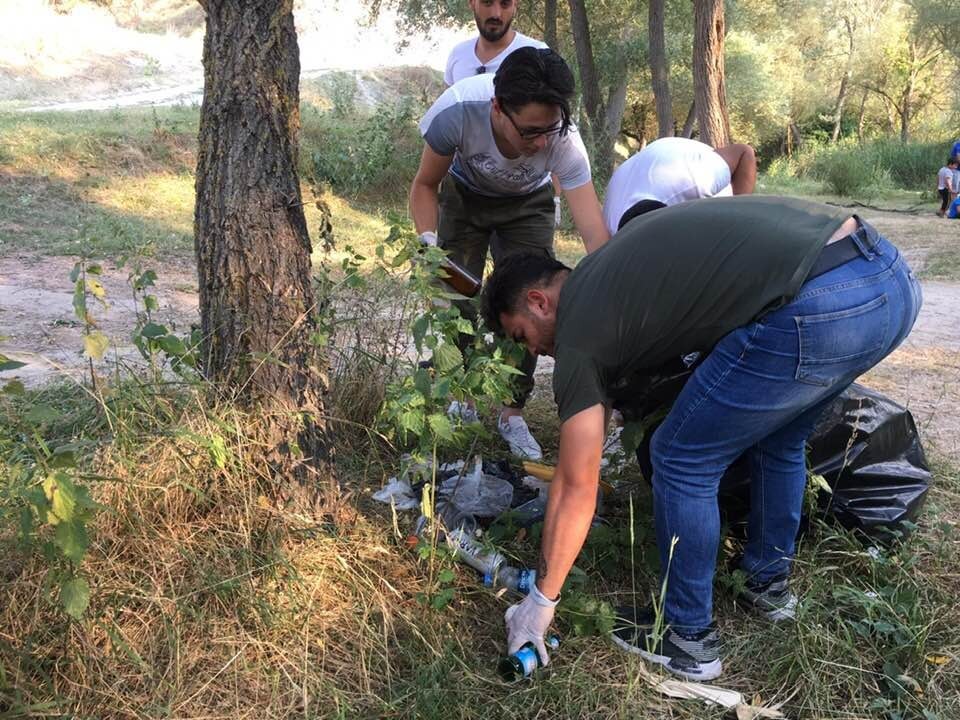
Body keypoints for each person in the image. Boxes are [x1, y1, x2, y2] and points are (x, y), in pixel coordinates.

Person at [483, 195, 921, 680]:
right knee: (779, 441)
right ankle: (767, 584)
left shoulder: (579, 329)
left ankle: (688, 639)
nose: (536, 352)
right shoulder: (608, 273)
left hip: (825, 304)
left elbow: (574, 483)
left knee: (679, 457)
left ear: (538, 301)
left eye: (522, 336)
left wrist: (540, 602)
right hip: (888, 280)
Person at [410, 46, 609, 460]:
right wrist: (428, 242)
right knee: (455, 299)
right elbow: (425, 184)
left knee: (532, 307)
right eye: (530, 132)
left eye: (550, 129)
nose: (542, 142)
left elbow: (594, 233)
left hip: (528, 205)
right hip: (464, 198)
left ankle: (511, 412)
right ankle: (461, 400)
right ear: (498, 108)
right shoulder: (457, 111)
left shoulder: (564, 142)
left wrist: (612, 292)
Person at [602, 136, 757, 235]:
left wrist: (737, 224)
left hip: (678, 159)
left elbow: (745, 153)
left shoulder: (698, 178)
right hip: (637, 172)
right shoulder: (610, 228)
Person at [444, 0, 548, 86]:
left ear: (515, 5)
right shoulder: (458, 54)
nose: (496, 14)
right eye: (487, 2)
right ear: (472, 2)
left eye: (505, 4)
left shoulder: (539, 55)